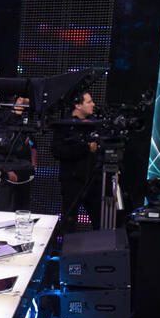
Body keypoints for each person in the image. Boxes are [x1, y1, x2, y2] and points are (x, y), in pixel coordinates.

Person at [52, 91, 101, 233]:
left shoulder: (96, 123)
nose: (93, 104)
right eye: (89, 102)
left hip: (93, 180)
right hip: (72, 181)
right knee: (69, 221)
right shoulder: (64, 125)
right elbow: (57, 151)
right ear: (78, 105)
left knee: (98, 220)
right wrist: (85, 149)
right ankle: (66, 251)